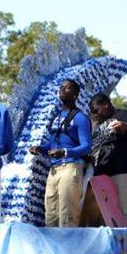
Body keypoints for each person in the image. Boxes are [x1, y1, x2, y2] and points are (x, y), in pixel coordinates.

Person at [29, 79, 92, 228]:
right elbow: (52, 144)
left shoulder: (80, 118)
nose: (63, 90)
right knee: (50, 216)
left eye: (68, 88)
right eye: (62, 87)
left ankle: (68, 250)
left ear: (76, 95)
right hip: (53, 170)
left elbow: (87, 146)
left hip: (70, 168)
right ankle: (53, 251)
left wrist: (65, 152)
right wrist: (40, 149)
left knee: (67, 216)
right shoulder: (56, 118)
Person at [89, 93, 127, 227]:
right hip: (103, 177)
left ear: (106, 104)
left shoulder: (125, 115)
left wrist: (125, 126)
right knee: (108, 222)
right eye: (92, 112)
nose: (95, 114)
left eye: (96, 110)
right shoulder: (97, 126)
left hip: (126, 174)